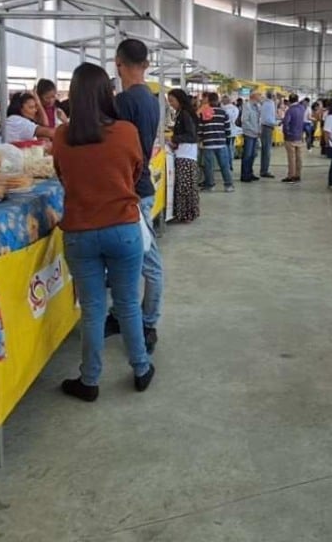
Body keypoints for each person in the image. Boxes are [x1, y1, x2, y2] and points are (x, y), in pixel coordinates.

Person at [52, 63, 153, 401]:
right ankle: (141, 368)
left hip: (79, 231)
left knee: (93, 309)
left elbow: (61, 175)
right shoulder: (126, 131)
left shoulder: (62, 136)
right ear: (107, 94)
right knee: (128, 303)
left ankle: (90, 380)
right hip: (123, 227)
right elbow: (135, 171)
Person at [111, 38, 164, 353]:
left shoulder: (124, 101)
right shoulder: (151, 99)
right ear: (145, 64)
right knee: (129, 260)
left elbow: (116, 151)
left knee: (148, 262)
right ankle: (122, 315)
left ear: (119, 64)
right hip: (139, 186)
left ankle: (148, 322)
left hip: (131, 190)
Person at [168, 89, 200, 222]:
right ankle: (186, 213)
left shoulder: (185, 114)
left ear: (179, 100)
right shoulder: (182, 113)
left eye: (172, 101)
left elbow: (191, 135)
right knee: (185, 184)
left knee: (184, 185)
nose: (171, 104)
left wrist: (174, 138)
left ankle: (186, 214)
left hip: (186, 154)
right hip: (185, 152)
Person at [198, 92, 234, 193]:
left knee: (209, 166)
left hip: (208, 143)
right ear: (218, 100)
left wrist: (201, 138)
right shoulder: (223, 112)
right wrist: (226, 139)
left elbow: (200, 129)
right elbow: (227, 129)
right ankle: (228, 185)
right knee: (224, 165)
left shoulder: (203, 112)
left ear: (208, 101)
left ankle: (210, 186)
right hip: (221, 143)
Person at [281, 94, 307, 184]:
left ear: (289, 100)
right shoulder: (302, 109)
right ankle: (298, 175)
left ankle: (291, 175)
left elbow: (286, 123)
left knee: (291, 157)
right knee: (299, 157)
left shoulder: (290, 110)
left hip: (290, 137)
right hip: (299, 136)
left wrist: (286, 133)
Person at [240, 92, 263, 182]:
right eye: (259, 96)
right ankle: (245, 175)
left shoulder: (257, 106)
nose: (261, 98)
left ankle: (250, 173)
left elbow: (259, 120)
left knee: (253, 155)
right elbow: (244, 120)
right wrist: (254, 130)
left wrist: (259, 130)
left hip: (255, 134)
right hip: (249, 133)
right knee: (247, 154)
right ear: (254, 97)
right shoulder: (247, 106)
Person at [259, 90, 278, 178]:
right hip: (267, 127)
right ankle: (264, 171)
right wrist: (275, 123)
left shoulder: (268, 103)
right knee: (266, 150)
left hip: (267, 127)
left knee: (265, 150)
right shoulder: (269, 104)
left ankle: (264, 169)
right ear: (272, 96)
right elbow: (267, 119)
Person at [221, 95, 241, 162]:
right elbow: (235, 119)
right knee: (231, 146)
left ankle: (227, 161)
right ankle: (231, 161)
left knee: (226, 147)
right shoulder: (235, 109)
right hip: (233, 130)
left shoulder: (223, 109)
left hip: (225, 130)